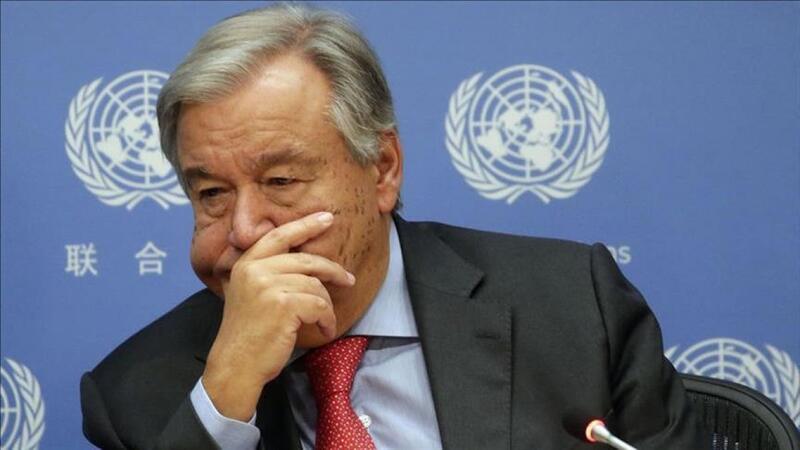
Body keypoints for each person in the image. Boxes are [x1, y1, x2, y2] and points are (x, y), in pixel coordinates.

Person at [80, 4, 705, 449]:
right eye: (212, 193)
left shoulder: (572, 306)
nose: (244, 231)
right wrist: (223, 399)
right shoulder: (136, 396)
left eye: (281, 181)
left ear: (382, 169)